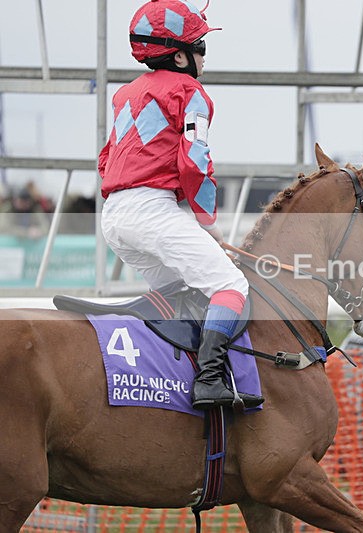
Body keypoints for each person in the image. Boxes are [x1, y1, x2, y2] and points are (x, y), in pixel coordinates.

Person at [98, 0, 262, 410]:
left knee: (181, 293)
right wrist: (207, 221)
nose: (205, 55)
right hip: (152, 212)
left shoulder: (126, 94)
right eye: (200, 45)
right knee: (230, 286)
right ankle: (208, 381)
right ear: (178, 54)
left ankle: (166, 384)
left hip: (115, 216)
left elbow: (106, 159)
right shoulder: (191, 92)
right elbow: (195, 161)